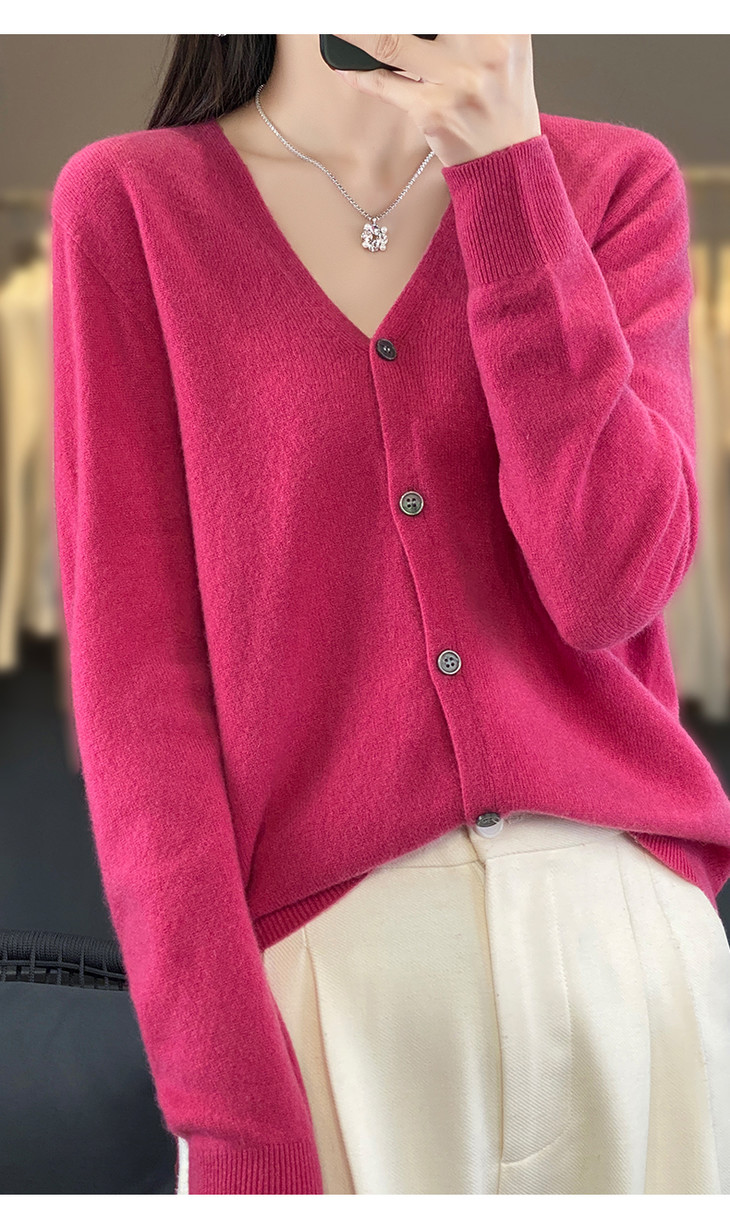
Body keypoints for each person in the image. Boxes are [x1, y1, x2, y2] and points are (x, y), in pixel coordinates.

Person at [51, 34, 730, 1196]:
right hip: (337, 993)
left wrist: (505, 176)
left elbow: (608, 585)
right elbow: (139, 697)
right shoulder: (131, 208)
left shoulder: (612, 187)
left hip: (624, 956)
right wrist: (226, 1110)